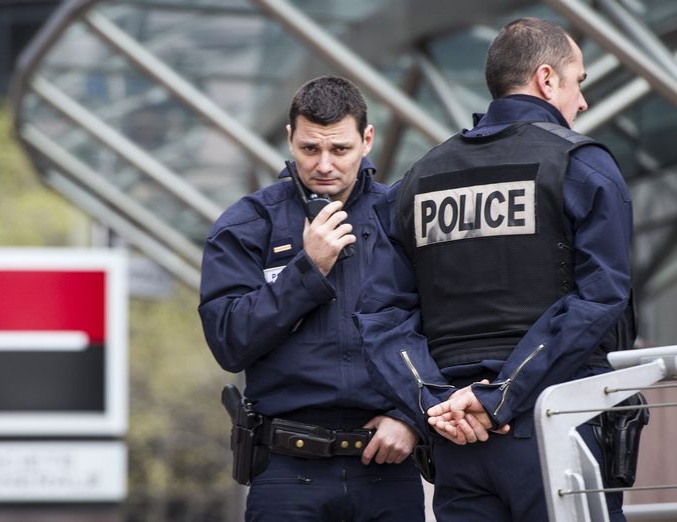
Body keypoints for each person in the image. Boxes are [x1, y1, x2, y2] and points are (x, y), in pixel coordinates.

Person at [353, 18, 635, 522]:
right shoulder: (582, 165)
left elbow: (380, 314)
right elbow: (600, 297)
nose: (583, 103)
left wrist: (437, 404)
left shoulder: (418, 180)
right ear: (547, 80)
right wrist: (500, 396)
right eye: (579, 83)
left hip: (456, 440)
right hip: (555, 423)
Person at [199, 75, 425, 521]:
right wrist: (308, 268)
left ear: (367, 140)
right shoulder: (247, 224)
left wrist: (412, 417)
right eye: (309, 149)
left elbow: (443, 327)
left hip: (388, 467)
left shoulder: (404, 218)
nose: (324, 164)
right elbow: (229, 341)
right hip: (286, 471)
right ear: (290, 139)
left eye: (339, 149)